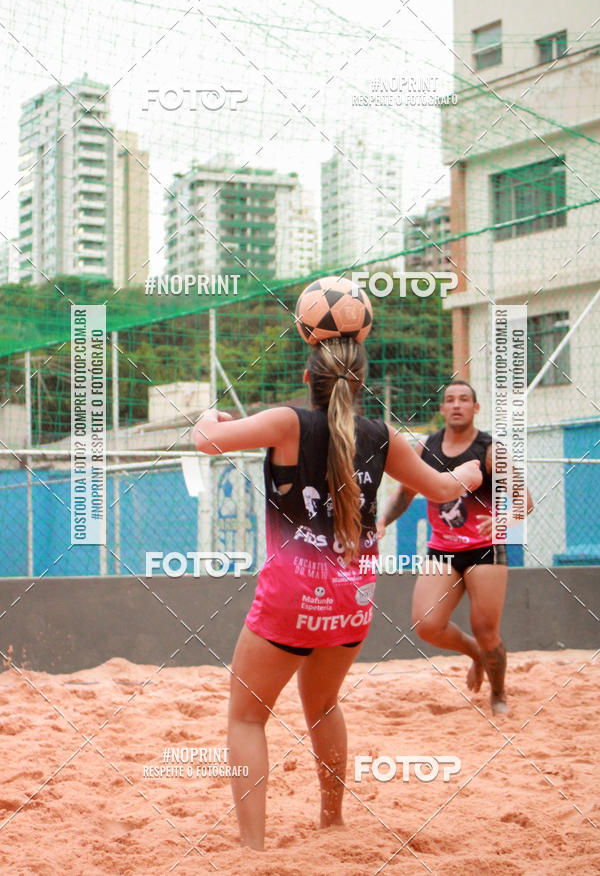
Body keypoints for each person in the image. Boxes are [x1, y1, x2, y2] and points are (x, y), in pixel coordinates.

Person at [193, 340, 482, 850]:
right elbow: (441, 488)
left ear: (309, 379)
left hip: (291, 599)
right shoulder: (381, 435)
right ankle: (332, 822)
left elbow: (206, 442)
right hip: (353, 599)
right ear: (361, 381)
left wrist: (206, 416)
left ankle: (253, 848)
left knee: (246, 716)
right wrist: (470, 474)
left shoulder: (288, 423)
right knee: (324, 705)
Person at [377, 379, 534, 716]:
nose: (457, 404)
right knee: (427, 625)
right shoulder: (425, 448)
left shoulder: (491, 450)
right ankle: (475, 653)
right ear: (442, 409)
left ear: (476, 408)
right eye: (450, 399)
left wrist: (504, 520)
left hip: (485, 548)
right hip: (442, 550)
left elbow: (525, 500)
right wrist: (380, 523)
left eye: (465, 399)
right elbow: (404, 494)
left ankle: (498, 694)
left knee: (486, 629)